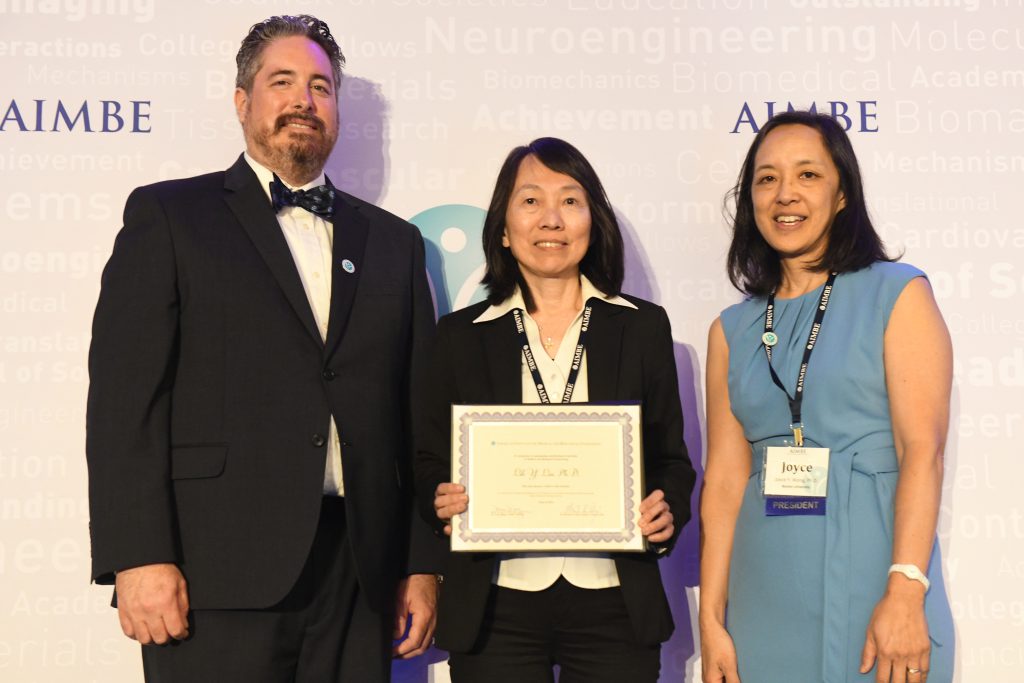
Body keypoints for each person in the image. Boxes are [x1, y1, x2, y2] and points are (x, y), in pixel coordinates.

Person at [86, 14, 442, 682]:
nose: (304, 100)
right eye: (283, 81)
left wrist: (422, 564)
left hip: (360, 578)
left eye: (320, 87)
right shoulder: (170, 217)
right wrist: (137, 555)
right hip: (212, 573)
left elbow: (417, 416)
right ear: (242, 101)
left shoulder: (395, 243)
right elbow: (125, 404)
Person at [414, 137, 696, 682]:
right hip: (495, 602)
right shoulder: (458, 337)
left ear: (594, 222)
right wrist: (439, 499)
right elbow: (427, 460)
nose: (551, 219)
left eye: (570, 201)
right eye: (530, 201)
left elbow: (671, 460)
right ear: (503, 228)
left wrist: (667, 511)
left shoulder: (641, 327)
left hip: (615, 599)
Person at [699, 111, 955, 683]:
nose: (785, 194)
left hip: (877, 580)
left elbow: (923, 452)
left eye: (808, 175)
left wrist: (906, 591)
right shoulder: (730, 331)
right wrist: (711, 620)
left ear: (842, 195)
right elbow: (723, 484)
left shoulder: (898, 293)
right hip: (764, 598)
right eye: (767, 178)